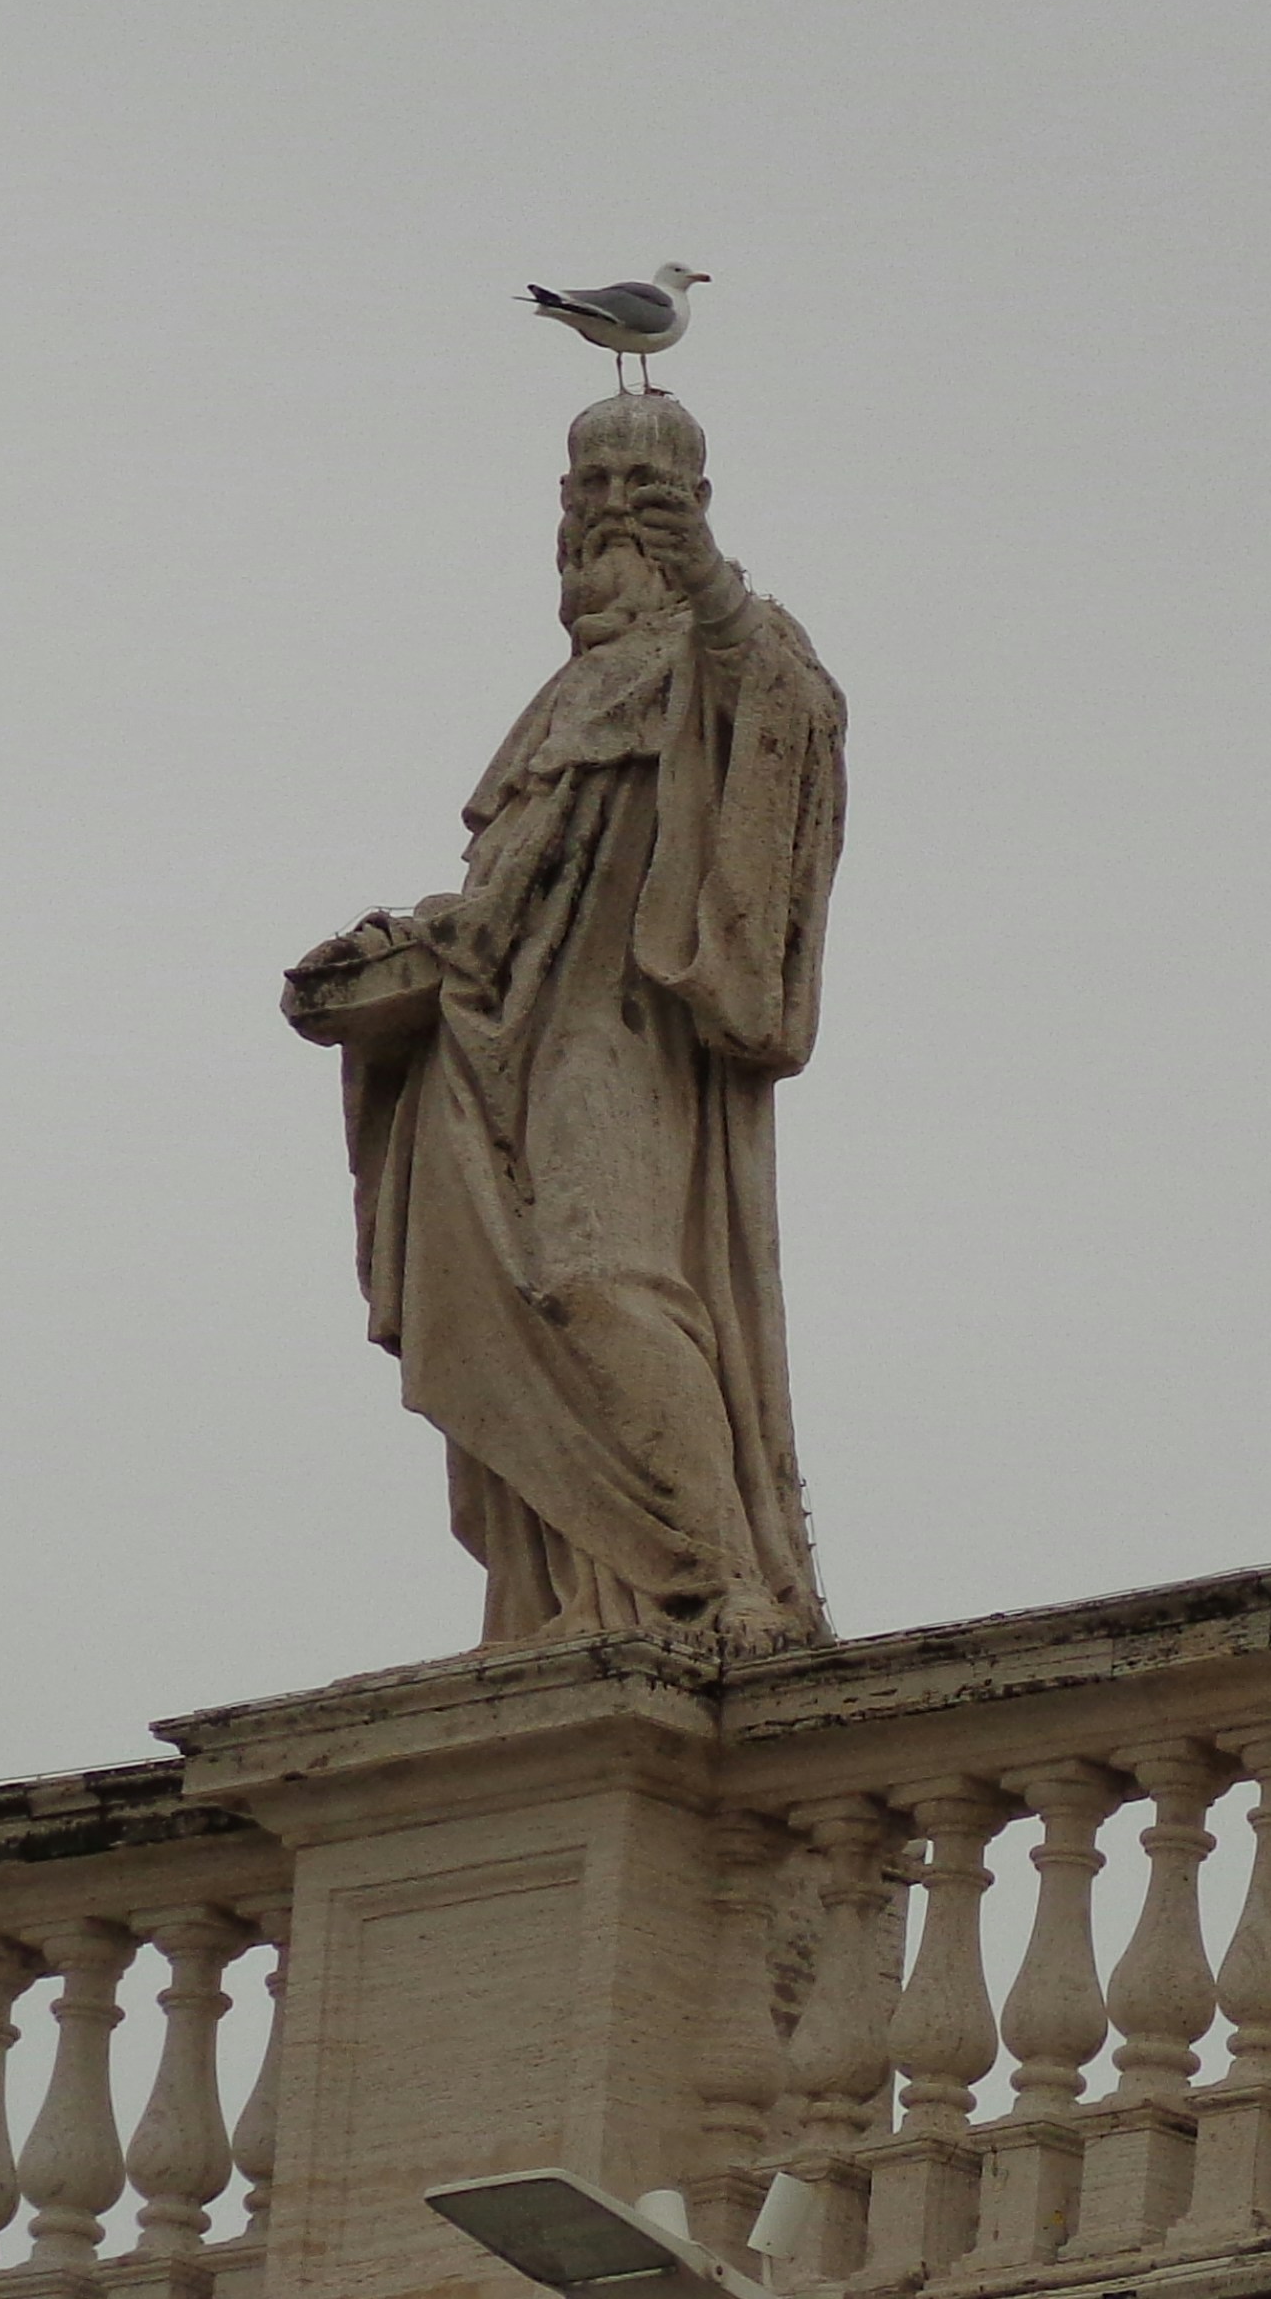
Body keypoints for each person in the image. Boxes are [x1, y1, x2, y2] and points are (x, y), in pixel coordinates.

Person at [288, 391, 843, 1645]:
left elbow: (787, 724)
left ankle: (716, 1577)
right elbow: (501, 897)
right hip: (487, 1042)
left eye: (621, 507)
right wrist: (400, 948)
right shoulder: (557, 701)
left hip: (616, 1023)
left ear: (686, 520)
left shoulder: (729, 649)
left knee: (601, 1280)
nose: (592, 533)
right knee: (507, 1312)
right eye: (574, 508)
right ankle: (569, 1596)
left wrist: (714, 590)